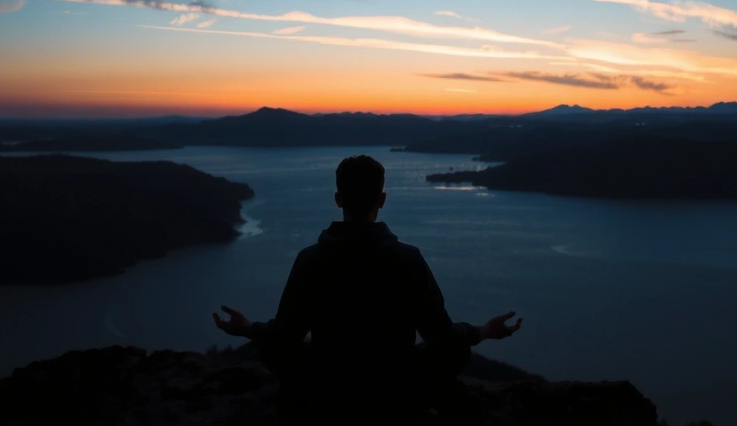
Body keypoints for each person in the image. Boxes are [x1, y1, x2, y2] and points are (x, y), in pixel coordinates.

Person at [213, 154, 521, 419]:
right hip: (394, 384)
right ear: (382, 200)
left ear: (338, 199)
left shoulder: (311, 259)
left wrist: (248, 328)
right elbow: (440, 335)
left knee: (278, 348)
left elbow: (285, 336)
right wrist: (482, 331)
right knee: (455, 351)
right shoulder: (407, 259)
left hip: (328, 383)